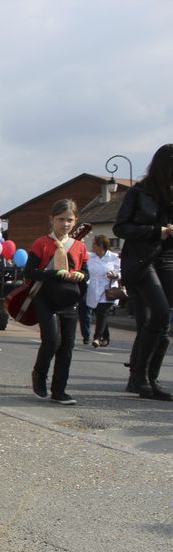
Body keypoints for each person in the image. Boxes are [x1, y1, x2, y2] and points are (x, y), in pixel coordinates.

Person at [113, 143, 173, 401]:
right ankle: (139, 376)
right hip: (141, 260)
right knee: (159, 313)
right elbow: (120, 228)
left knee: (162, 321)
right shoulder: (139, 193)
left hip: (168, 258)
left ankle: (147, 378)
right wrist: (155, 232)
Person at [24, 199, 89, 405]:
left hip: (68, 300)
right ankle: (39, 375)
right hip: (45, 299)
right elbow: (29, 271)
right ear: (52, 219)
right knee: (52, 340)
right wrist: (52, 273)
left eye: (69, 220)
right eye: (61, 219)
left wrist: (80, 275)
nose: (65, 224)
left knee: (67, 347)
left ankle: (59, 390)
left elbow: (86, 271)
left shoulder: (79, 246)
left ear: (75, 220)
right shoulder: (41, 243)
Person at [85, 235, 121, 347]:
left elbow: (120, 272)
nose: (92, 246)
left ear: (101, 245)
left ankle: (97, 337)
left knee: (102, 312)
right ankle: (106, 337)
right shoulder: (90, 257)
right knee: (99, 313)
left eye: (94, 244)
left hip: (107, 289)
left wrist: (115, 275)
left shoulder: (114, 257)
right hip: (93, 288)